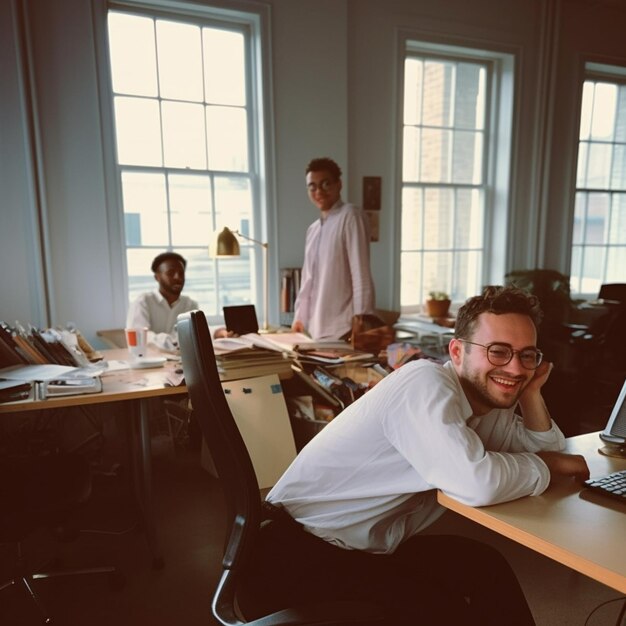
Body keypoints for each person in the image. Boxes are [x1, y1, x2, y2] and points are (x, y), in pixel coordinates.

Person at [238, 285, 590, 625]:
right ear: (457, 352)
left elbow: (552, 454)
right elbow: (478, 483)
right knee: (446, 611)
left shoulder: (490, 400)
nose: (515, 368)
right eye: (498, 351)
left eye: (527, 355)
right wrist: (546, 465)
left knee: (485, 566)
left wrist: (529, 394)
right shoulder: (424, 384)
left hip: (360, 550)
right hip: (293, 558)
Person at [291, 157, 376, 340]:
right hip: (315, 329)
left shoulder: (350, 216)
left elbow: (361, 273)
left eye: (325, 184)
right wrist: (299, 317)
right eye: (312, 186)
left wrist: (361, 319)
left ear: (339, 184)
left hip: (344, 328)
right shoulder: (312, 229)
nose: (318, 191)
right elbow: (307, 279)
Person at [126, 252, 200, 351]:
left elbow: (197, 333)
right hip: (150, 362)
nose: (178, 277)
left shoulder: (190, 304)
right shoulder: (143, 302)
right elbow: (139, 335)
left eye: (181, 273)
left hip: (181, 362)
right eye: (170, 273)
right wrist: (165, 340)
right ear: (157, 277)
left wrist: (218, 333)